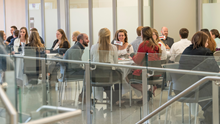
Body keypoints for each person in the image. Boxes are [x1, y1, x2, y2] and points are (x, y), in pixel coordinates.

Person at [174, 31, 219, 124]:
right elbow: (215, 70)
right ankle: (211, 118)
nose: (207, 44)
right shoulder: (206, 51)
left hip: (180, 88)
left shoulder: (186, 50)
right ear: (203, 41)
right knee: (216, 90)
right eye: (206, 42)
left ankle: (210, 117)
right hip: (196, 88)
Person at [127, 26, 161, 100]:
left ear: (143, 35)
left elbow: (138, 61)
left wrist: (132, 55)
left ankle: (145, 92)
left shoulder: (144, 44)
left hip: (147, 74)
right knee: (135, 71)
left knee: (127, 77)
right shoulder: (156, 45)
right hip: (156, 73)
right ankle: (145, 96)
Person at [91, 28, 122, 104]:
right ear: (109, 37)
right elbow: (116, 64)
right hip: (109, 76)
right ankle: (117, 99)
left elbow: (92, 63)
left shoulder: (93, 47)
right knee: (120, 75)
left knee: (104, 77)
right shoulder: (113, 48)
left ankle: (113, 98)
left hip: (96, 76)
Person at [63, 33, 89, 102]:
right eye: (86, 39)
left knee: (88, 72)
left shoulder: (77, 47)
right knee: (89, 74)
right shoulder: (77, 49)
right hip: (70, 73)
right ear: (81, 40)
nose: (88, 40)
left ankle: (83, 96)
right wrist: (84, 68)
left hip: (69, 71)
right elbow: (75, 66)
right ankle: (84, 97)